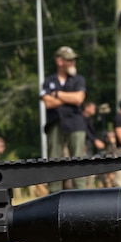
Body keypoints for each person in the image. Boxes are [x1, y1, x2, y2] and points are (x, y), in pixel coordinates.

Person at [41, 45, 87, 191]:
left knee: (78, 159)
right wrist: (69, 98)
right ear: (59, 61)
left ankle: (81, 193)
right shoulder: (49, 81)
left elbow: (79, 98)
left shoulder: (78, 79)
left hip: (76, 123)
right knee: (54, 159)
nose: (72, 63)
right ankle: (54, 193)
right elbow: (47, 103)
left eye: (73, 60)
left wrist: (57, 94)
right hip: (55, 123)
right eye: (69, 60)